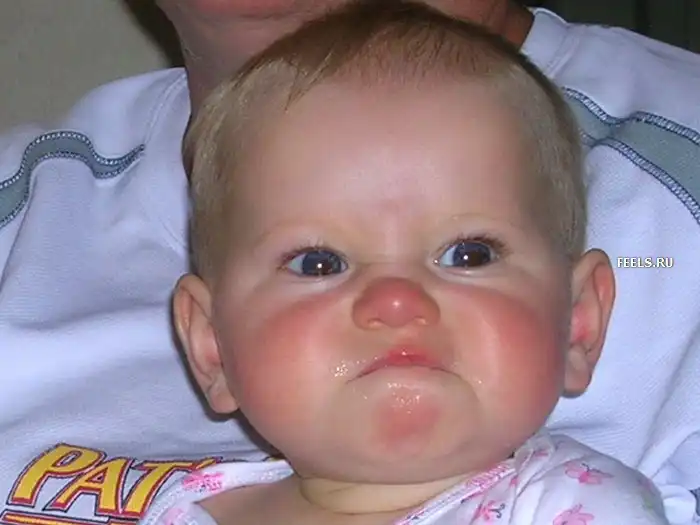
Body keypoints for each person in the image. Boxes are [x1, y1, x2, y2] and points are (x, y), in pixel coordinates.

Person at [0, 0, 698, 523]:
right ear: (211, 346)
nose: (395, 300)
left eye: (469, 253)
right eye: (318, 263)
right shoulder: (179, 507)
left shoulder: (572, 507)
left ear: (578, 322)